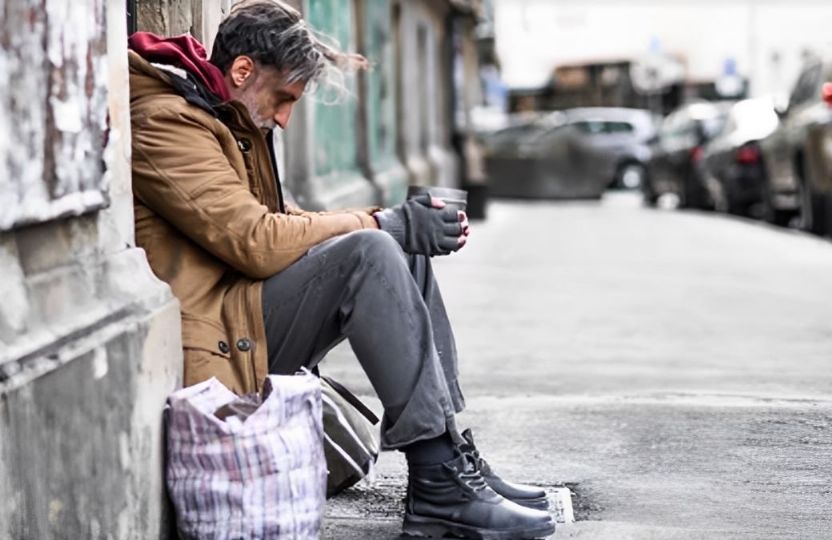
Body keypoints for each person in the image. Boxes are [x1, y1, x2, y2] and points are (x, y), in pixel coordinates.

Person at [127, 1, 555, 538]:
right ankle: (440, 490)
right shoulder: (166, 121)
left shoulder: (222, 113)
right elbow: (254, 241)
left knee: (398, 246)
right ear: (242, 70)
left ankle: (448, 457)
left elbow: (278, 220)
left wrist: (394, 224)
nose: (284, 117)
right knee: (371, 251)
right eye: (283, 98)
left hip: (245, 311)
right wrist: (375, 223)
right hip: (217, 333)